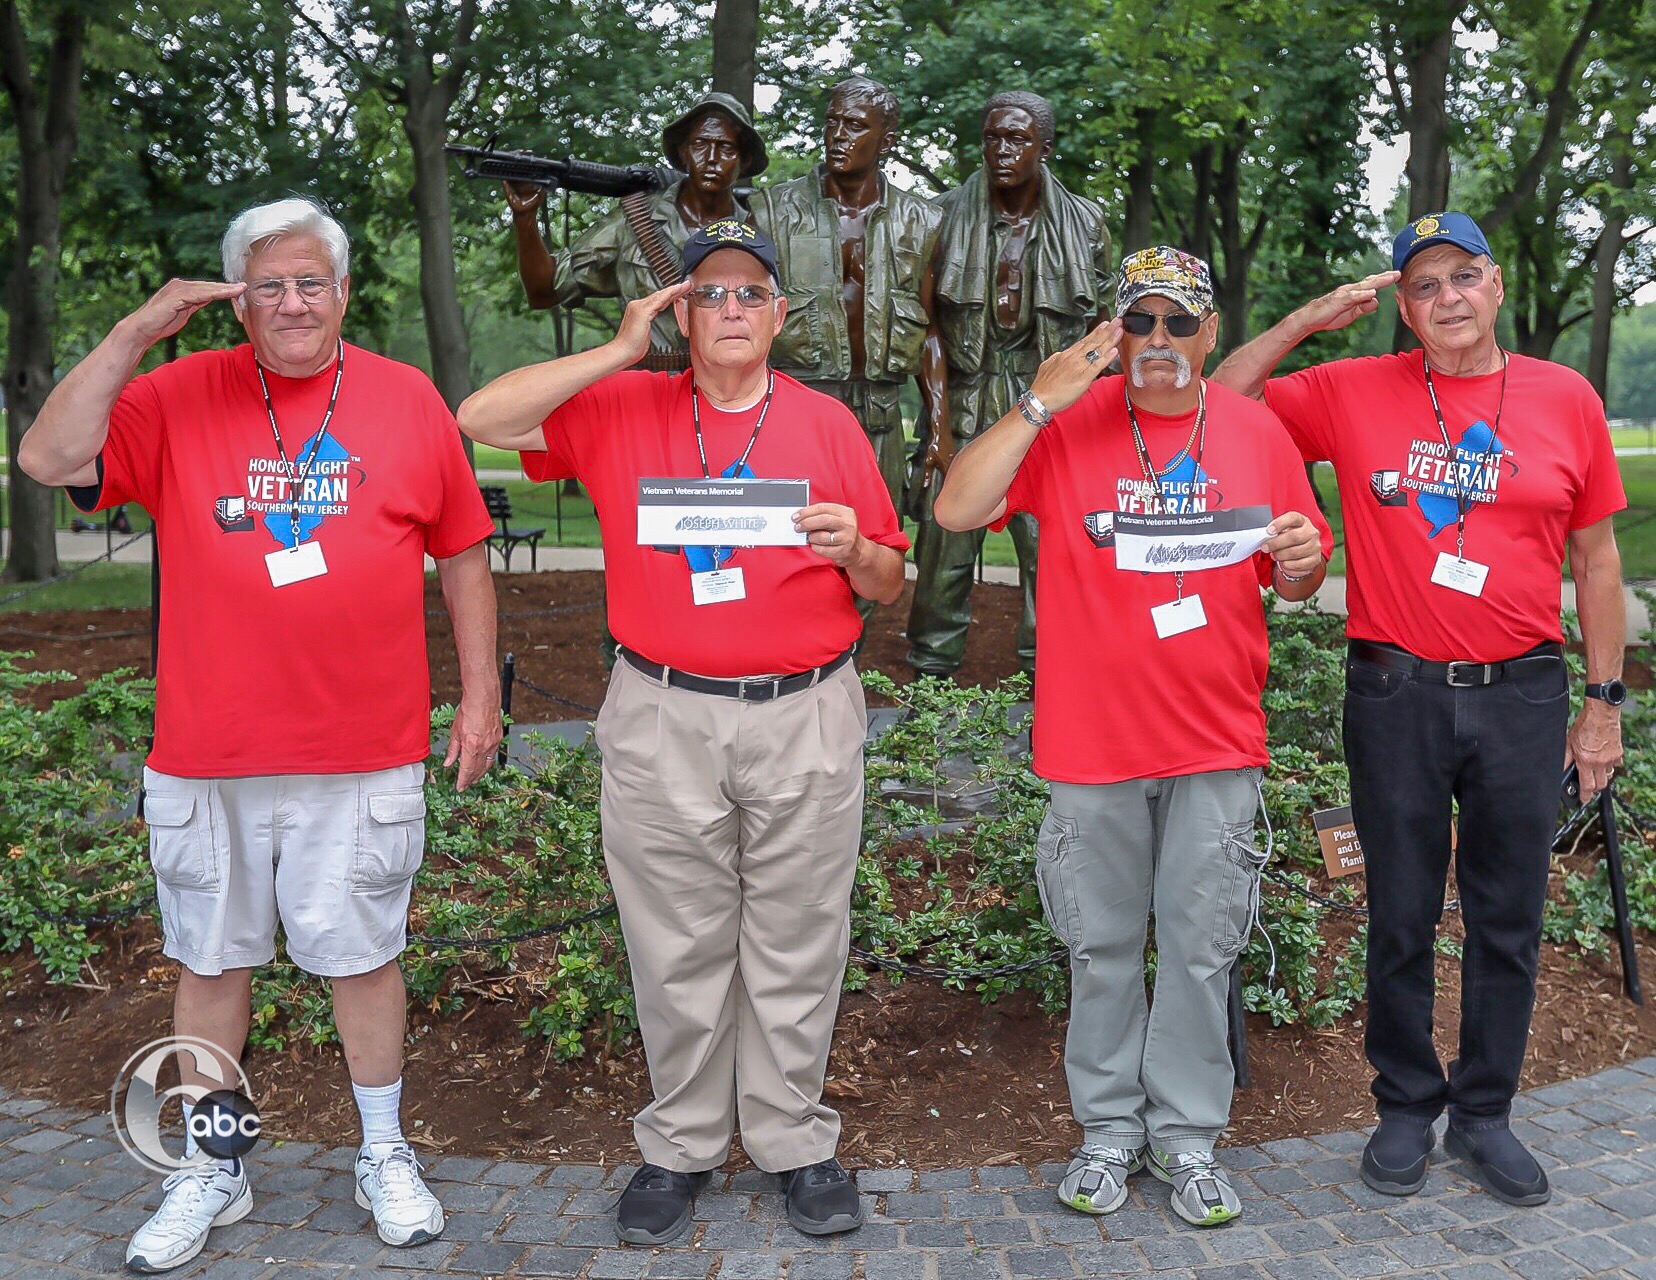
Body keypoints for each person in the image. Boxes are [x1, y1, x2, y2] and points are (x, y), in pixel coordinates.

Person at [17, 197, 502, 1271]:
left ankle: (383, 1150)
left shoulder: (406, 397)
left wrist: (480, 699)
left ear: (342, 292)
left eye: (310, 282)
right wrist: (134, 332)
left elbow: (464, 551)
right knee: (212, 960)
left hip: (362, 745)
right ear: (239, 301)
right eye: (269, 285)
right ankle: (214, 1164)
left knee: (365, 956)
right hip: (210, 750)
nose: (292, 302)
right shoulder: (174, 393)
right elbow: (48, 458)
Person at [457, 220, 907, 1245]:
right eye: (710, 293)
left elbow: (890, 579)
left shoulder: (829, 424)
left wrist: (856, 551)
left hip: (805, 709)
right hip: (662, 709)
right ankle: (682, 1144)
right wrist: (620, 349)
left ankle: (793, 1140)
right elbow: (481, 417)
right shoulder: (622, 406)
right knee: (674, 943)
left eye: (751, 293)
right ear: (681, 313)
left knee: (799, 937)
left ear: (779, 315)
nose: (732, 309)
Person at [1212, 212, 1627, 1207]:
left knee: (1507, 916)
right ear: (1404, 307)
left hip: (1524, 692)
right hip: (1395, 690)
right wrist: (1306, 322)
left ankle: (1484, 1112)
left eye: (1463, 276)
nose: (1448, 298)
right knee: (1398, 910)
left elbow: (1598, 559)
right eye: (1425, 285)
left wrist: (1603, 705)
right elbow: (1222, 401)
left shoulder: (1565, 398)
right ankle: (1404, 1102)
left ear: (1496, 285)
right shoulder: (1354, 389)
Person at [934, 247, 1330, 1228]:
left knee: (1200, 951)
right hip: (1092, 743)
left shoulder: (1254, 428)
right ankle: (1108, 1129)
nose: (1160, 339)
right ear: (1115, 334)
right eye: (1141, 321)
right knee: (1102, 949)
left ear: (1209, 332)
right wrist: (1038, 402)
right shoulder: (1068, 424)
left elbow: (1297, 579)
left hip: (1216, 740)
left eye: (1179, 321)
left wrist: (1302, 559)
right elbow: (955, 508)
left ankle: (1187, 1138)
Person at [908, 90, 1112, 676]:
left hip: (1049, 400)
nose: (1002, 150)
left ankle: (1047, 682)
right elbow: (926, 328)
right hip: (966, 392)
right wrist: (939, 429)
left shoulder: (1085, 222)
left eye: (1017, 139)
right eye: (992, 137)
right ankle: (929, 682)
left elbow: (1100, 334)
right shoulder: (941, 215)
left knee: (1048, 546)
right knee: (945, 544)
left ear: (1045, 148)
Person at [749, 76, 945, 521]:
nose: (838, 135)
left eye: (855, 126)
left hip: (881, 415)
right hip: (797, 410)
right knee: (791, 539)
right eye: (832, 122)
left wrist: (938, 427)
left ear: (886, 142)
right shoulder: (772, 211)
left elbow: (931, 331)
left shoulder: (921, 220)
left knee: (879, 539)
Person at [506, 91, 767, 365]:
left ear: (745, 160)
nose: (711, 158)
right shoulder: (635, 218)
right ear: (683, 153)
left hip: (734, 381)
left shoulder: (760, 228)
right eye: (700, 144)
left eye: (726, 148)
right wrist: (525, 217)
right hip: (650, 383)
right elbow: (544, 291)